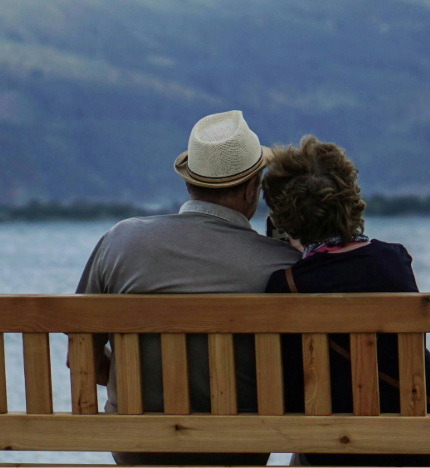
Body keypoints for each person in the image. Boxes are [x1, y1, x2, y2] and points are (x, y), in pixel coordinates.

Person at [74, 110, 299, 466]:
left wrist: (127, 374)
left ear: (188, 183)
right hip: (238, 451)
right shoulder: (283, 265)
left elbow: (81, 355)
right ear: (251, 190)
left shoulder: (120, 242)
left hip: (137, 449)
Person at [262, 135, 430, 467]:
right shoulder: (394, 262)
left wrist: (302, 259)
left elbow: (290, 388)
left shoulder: (286, 286)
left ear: (283, 218)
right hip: (417, 443)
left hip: (329, 450)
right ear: (350, 197)